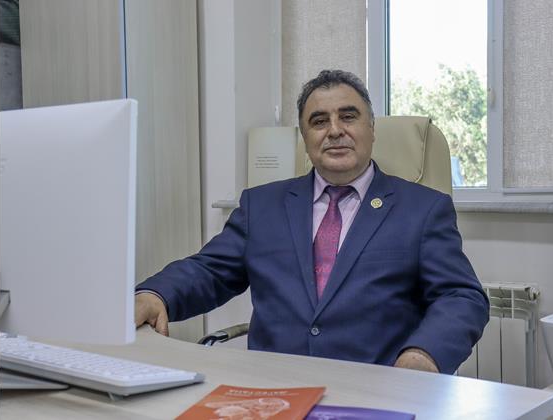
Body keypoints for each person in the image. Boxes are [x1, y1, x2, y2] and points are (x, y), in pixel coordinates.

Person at [135, 69, 489, 374]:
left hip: (376, 388)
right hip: (274, 389)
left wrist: (424, 354)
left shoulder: (422, 209)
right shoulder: (262, 206)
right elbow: (209, 271)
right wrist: (155, 295)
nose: (334, 131)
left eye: (348, 117)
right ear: (305, 138)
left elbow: (460, 296)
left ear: (371, 128)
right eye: (319, 121)